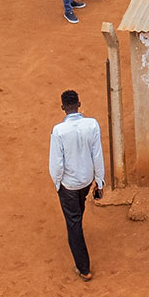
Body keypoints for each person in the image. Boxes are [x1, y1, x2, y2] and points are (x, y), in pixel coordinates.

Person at [48, 89, 104, 281]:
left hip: (69, 185)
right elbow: (97, 155)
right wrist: (100, 181)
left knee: (73, 223)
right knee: (77, 215)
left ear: (63, 108)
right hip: (86, 181)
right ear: (79, 104)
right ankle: (80, 252)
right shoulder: (92, 125)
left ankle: (84, 268)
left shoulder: (58, 131)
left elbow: (56, 164)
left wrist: (57, 184)